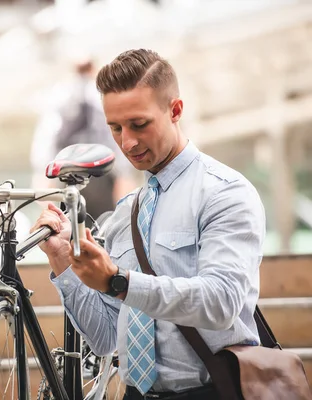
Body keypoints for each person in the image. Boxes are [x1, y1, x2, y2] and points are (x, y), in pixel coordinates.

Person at [31, 49, 266, 400]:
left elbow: (221, 302)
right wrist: (63, 259)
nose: (127, 142)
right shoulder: (126, 213)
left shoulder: (224, 192)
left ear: (175, 111)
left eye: (139, 124)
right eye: (115, 128)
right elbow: (107, 336)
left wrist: (119, 281)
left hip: (213, 391)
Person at [30, 57, 136, 222]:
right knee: (102, 228)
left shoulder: (61, 95)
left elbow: (47, 137)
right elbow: (113, 134)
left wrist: (43, 174)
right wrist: (124, 174)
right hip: (100, 171)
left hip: (72, 173)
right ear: (93, 68)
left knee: (74, 227)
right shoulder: (100, 95)